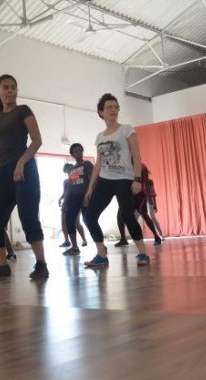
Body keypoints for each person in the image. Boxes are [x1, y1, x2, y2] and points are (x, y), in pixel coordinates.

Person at [0, 74, 48, 279]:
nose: (10, 91)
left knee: (28, 219)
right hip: (2, 174)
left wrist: (21, 162)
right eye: (5, 87)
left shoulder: (23, 111)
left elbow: (37, 141)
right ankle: (2, 265)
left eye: (13, 87)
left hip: (25, 171)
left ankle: (41, 264)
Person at [83, 93, 150, 267]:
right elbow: (98, 164)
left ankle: (143, 253)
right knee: (89, 216)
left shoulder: (126, 129)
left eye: (115, 107)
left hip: (124, 179)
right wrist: (90, 188)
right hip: (105, 180)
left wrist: (137, 179)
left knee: (127, 216)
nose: (113, 110)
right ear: (101, 112)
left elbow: (137, 155)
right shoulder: (99, 137)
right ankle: (101, 254)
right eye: (109, 107)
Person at [115, 163, 162, 246]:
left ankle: (156, 236)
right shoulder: (124, 164)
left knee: (144, 215)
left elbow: (146, 183)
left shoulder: (142, 167)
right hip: (128, 194)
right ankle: (123, 239)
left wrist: (150, 198)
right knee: (119, 215)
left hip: (139, 195)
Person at [62, 144, 93, 256]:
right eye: (76, 151)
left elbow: (91, 180)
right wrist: (66, 201)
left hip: (85, 196)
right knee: (69, 221)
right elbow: (71, 186)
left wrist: (87, 195)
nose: (79, 153)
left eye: (80, 150)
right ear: (72, 155)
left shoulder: (87, 164)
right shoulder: (72, 169)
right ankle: (75, 247)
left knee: (89, 221)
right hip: (73, 198)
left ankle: (100, 244)